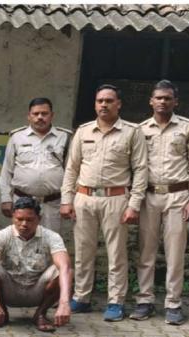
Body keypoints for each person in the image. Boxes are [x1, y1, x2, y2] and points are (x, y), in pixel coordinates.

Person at [60, 84, 147, 321]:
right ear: (95, 104)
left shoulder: (132, 132)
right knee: (83, 251)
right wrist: (66, 200)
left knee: (116, 253)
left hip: (116, 198)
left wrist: (134, 205)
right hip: (84, 197)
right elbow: (72, 168)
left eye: (109, 101)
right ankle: (81, 297)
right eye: (100, 101)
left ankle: (115, 301)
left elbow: (140, 170)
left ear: (119, 104)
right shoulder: (83, 131)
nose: (104, 105)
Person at [133, 80, 189, 324]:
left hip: (178, 195)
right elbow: (135, 166)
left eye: (167, 98)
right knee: (146, 250)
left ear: (176, 102)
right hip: (149, 195)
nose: (162, 102)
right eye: (159, 98)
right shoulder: (140, 130)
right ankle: (145, 300)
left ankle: (173, 303)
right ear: (151, 101)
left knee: (175, 252)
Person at [0, 197, 73, 332]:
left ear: (39, 219)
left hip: (38, 290)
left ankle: (40, 314)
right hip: (8, 289)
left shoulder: (52, 236)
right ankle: (0, 312)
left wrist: (64, 303)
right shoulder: (2, 235)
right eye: (19, 219)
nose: (24, 224)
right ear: (13, 218)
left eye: (30, 220)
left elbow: (65, 267)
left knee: (63, 269)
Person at [0, 98, 73, 232]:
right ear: (29, 116)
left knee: (50, 240)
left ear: (52, 115)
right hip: (22, 201)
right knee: (22, 238)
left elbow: (71, 173)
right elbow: (6, 171)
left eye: (44, 113)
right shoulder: (17, 137)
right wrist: (6, 198)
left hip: (52, 203)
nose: (40, 117)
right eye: (36, 113)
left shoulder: (64, 137)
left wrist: (67, 201)